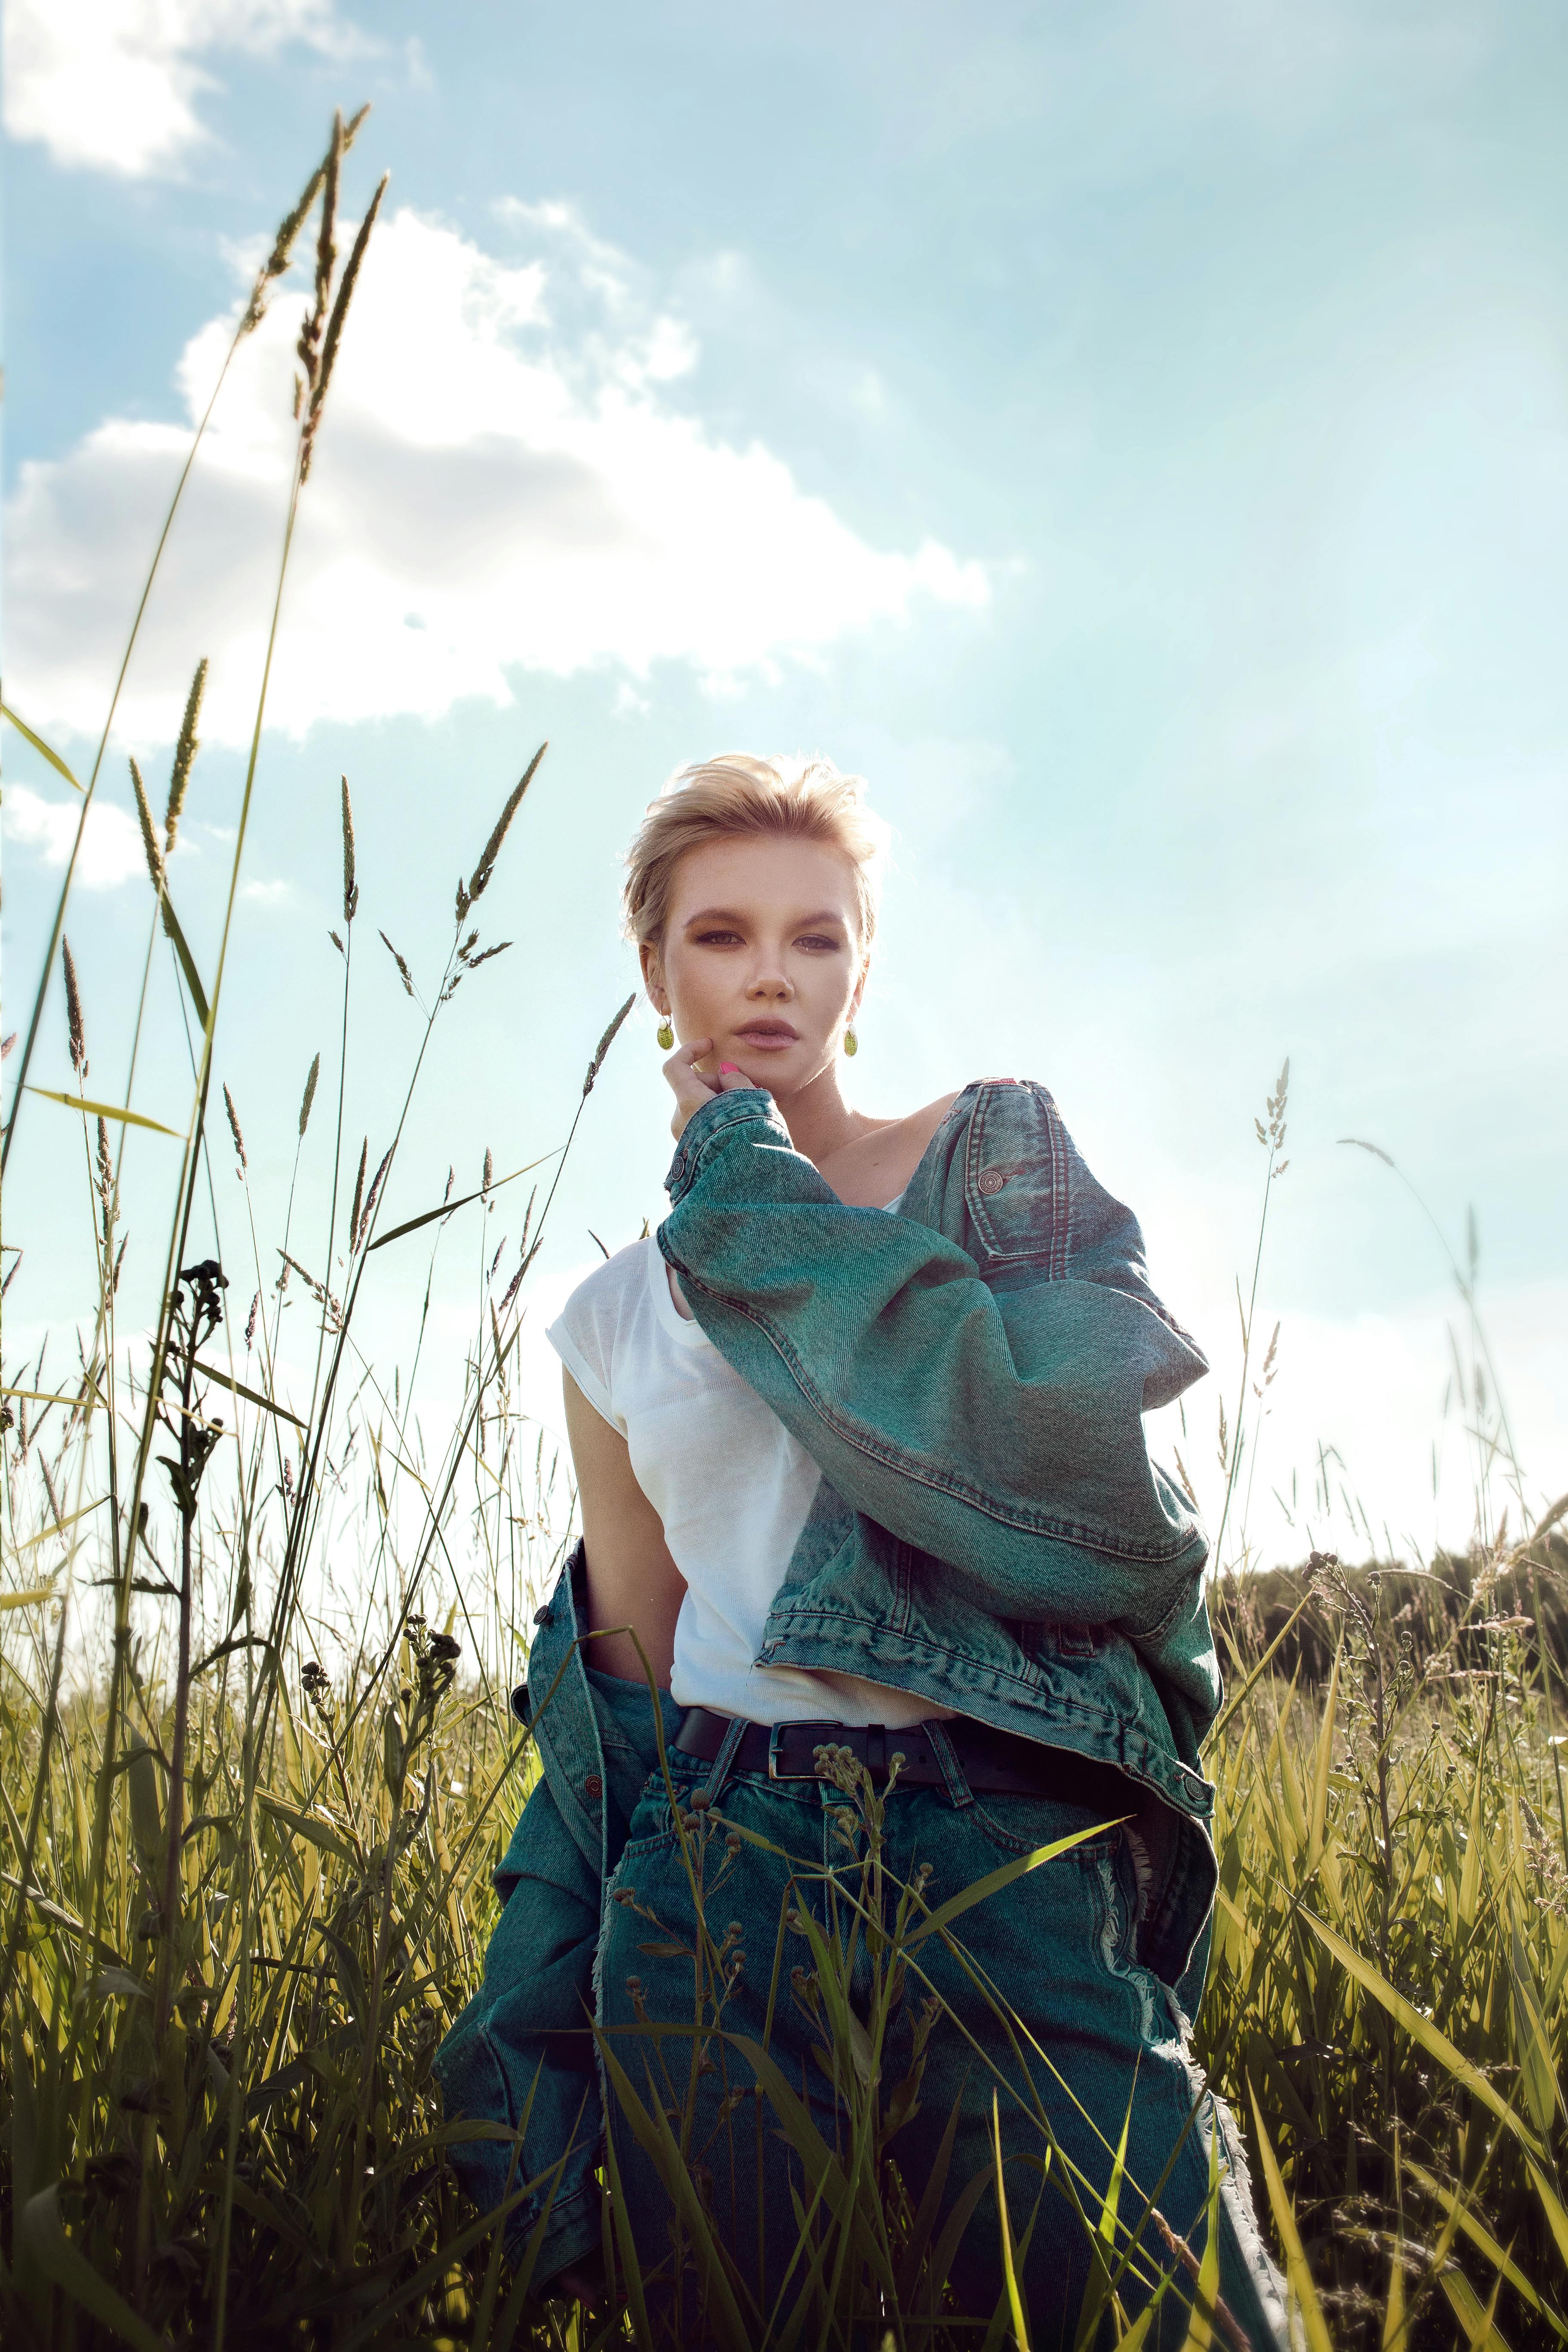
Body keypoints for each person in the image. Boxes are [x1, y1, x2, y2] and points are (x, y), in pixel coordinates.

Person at [435, 753, 1286, 2345]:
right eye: (722, 935)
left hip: (1004, 1851)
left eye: (816, 937)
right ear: (654, 970)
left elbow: (1079, 1503)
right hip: (720, 1871)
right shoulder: (611, 1316)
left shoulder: (986, 1159)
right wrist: (533, 2002)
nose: (770, 973)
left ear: (863, 966)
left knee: (1163, 2315)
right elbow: (626, 1673)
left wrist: (741, 1188)